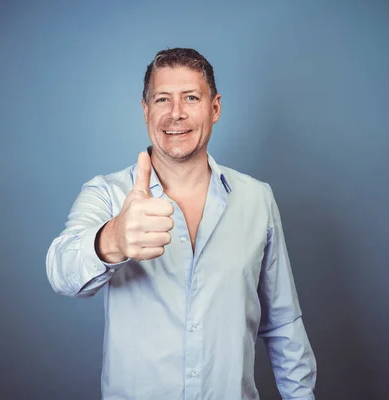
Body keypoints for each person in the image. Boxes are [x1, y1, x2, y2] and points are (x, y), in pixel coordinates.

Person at [46, 48, 316, 400]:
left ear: (214, 108)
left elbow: (283, 324)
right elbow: (60, 270)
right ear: (146, 110)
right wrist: (112, 240)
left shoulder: (257, 198)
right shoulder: (108, 193)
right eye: (162, 99)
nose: (176, 113)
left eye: (191, 97)